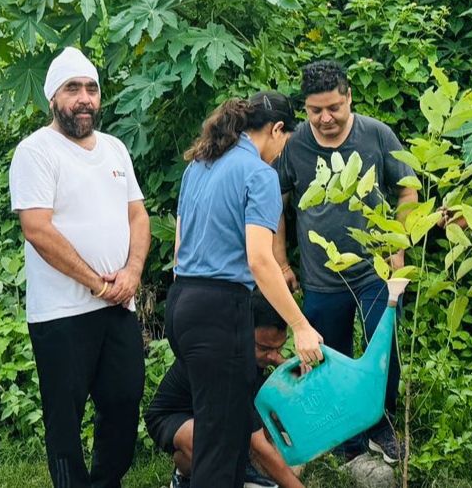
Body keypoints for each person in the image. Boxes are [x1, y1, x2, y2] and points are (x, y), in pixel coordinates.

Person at [9, 47, 151, 488]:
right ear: (53, 98)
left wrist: (131, 273)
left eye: (91, 88)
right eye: (73, 89)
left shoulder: (114, 148)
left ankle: (106, 483)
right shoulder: (35, 152)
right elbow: (37, 229)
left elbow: (138, 216)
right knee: (64, 420)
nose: (84, 98)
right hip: (61, 315)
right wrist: (97, 283)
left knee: (125, 402)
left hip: (118, 306)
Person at [171, 90, 323, 488]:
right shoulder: (259, 174)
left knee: (225, 431)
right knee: (222, 447)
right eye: (285, 140)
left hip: (183, 303)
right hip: (219, 310)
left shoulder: (199, 166)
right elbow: (259, 259)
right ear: (276, 129)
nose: (281, 151)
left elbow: (179, 248)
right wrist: (300, 325)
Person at [273, 60, 415, 462]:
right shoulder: (295, 143)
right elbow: (277, 204)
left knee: (383, 353)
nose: (326, 118)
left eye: (334, 107)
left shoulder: (376, 135)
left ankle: (382, 429)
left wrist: (397, 248)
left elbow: (407, 191)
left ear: (349, 97)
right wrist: (282, 262)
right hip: (321, 278)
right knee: (326, 360)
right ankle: (346, 441)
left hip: (376, 274)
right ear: (304, 108)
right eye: (316, 110)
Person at [147, 294, 305, 488]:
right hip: (175, 415)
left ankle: (206, 466)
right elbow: (258, 445)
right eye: (264, 348)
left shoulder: (249, 346)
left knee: (273, 419)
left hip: (216, 411)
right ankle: (190, 477)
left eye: (278, 348)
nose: (272, 356)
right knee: (211, 442)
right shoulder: (226, 359)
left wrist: (295, 370)